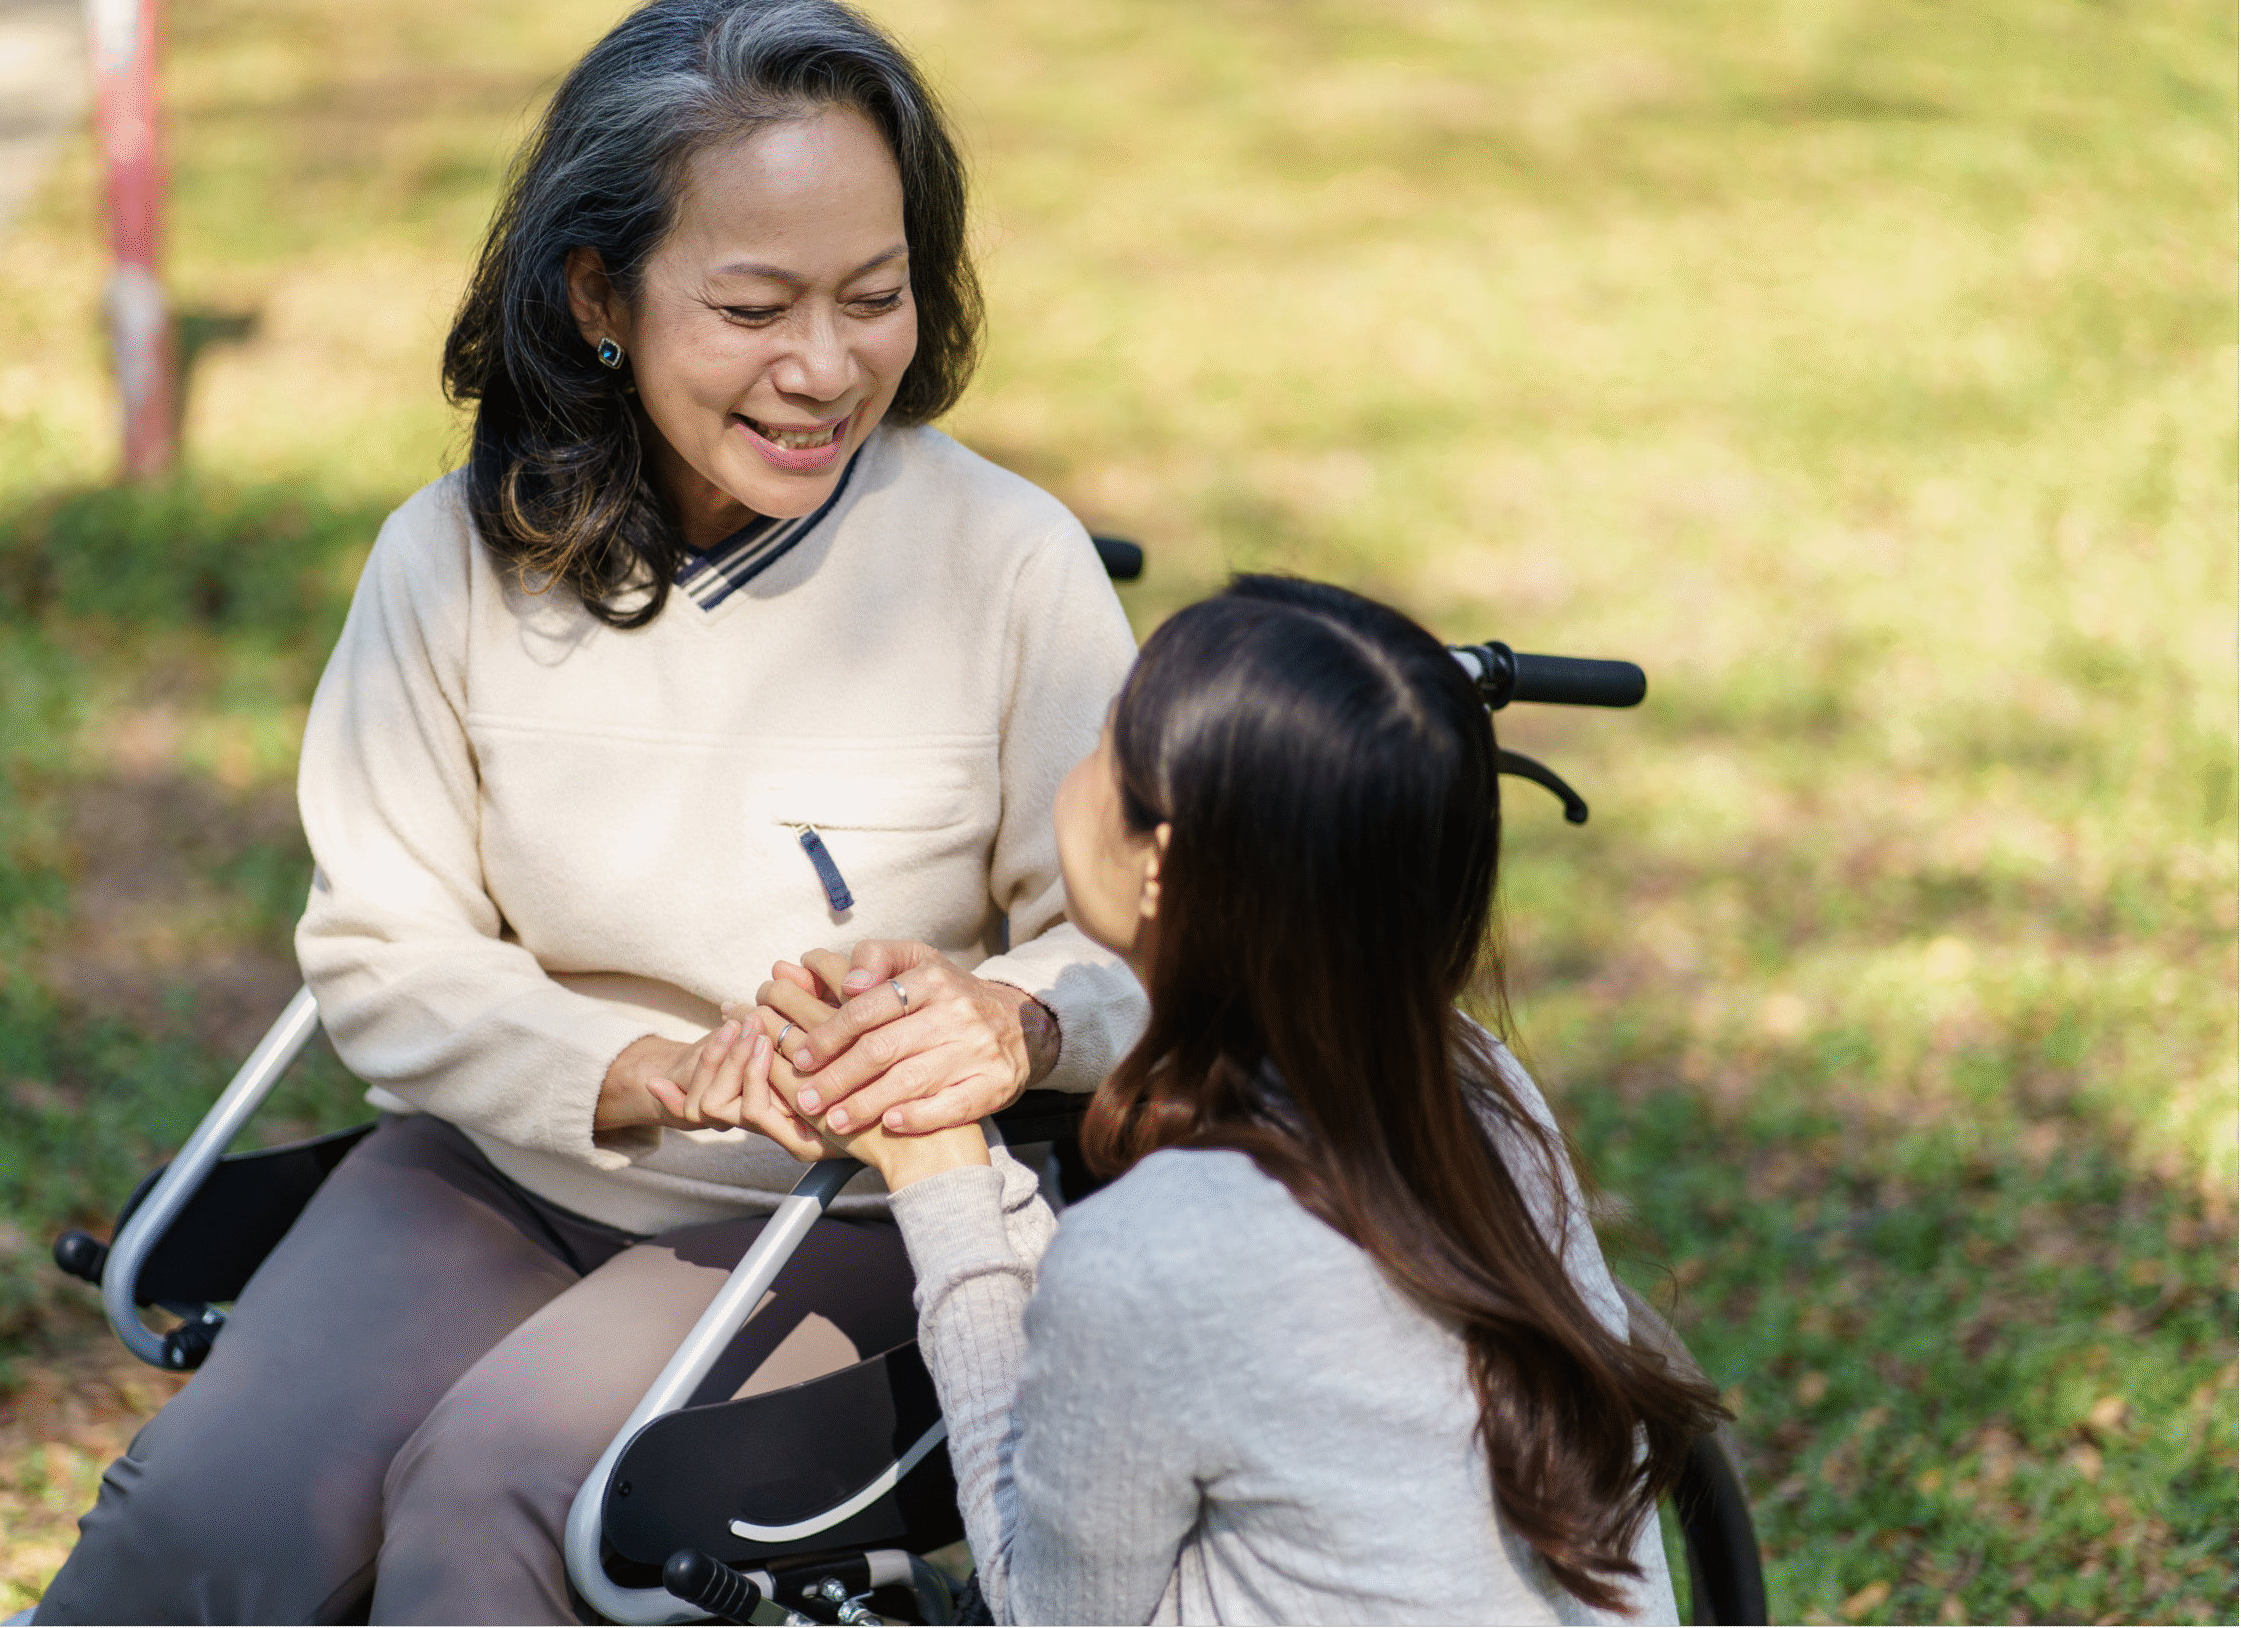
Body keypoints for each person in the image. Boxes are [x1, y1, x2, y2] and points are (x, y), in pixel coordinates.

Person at [36, 0, 1144, 1626]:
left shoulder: (1005, 562)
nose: (826, 367)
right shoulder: (450, 560)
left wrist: (1010, 1024)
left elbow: (1138, 934)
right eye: (756, 307)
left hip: (856, 1205)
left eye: (876, 294)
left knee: (493, 1507)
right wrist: (652, 1069)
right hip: (509, 1159)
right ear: (598, 293)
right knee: (204, 1521)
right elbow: (384, 951)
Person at [736, 576, 1727, 1626]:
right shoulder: (1480, 1088)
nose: (1073, 777)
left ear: (1156, 865)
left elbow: (1050, 1614)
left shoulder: (1163, 1244)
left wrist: (944, 1179)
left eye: (1103, 749)